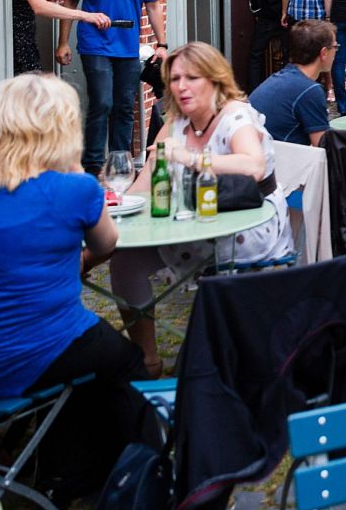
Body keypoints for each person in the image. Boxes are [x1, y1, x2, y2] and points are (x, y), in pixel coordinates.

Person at [0, 74, 154, 503]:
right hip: (33, 352)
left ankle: (66, 472)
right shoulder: (73, 189)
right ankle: (147, 476)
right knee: (126, 360)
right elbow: (107, 245)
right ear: (62, 128)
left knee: (84, 361)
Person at [110, 44, 293, 375]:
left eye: (192, 78)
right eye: (175, 78)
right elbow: (153, 170)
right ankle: (147, 358)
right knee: (125, 260)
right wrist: (122, 207)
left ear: (215, 80)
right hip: (195, 219)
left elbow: (253, 164)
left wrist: (193, 158)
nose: (181, 86)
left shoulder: (235, 115)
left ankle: (212, 356)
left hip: (245, 228)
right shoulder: (178, 120)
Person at [60, 0, 167, 175]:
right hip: (94, 44)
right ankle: (93, 165)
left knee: (124, 105)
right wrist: (63, 42)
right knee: (102, 102)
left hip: (127, 47)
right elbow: (70, 3)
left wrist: (162, 43)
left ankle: (121, 164)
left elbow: (153, 5)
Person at [249, 20, 336, 145]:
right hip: (279, 160)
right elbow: (323, 146)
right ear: (323, 53)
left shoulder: (282, 78)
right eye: (335, 47)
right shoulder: (309, 90)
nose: (335, 52)